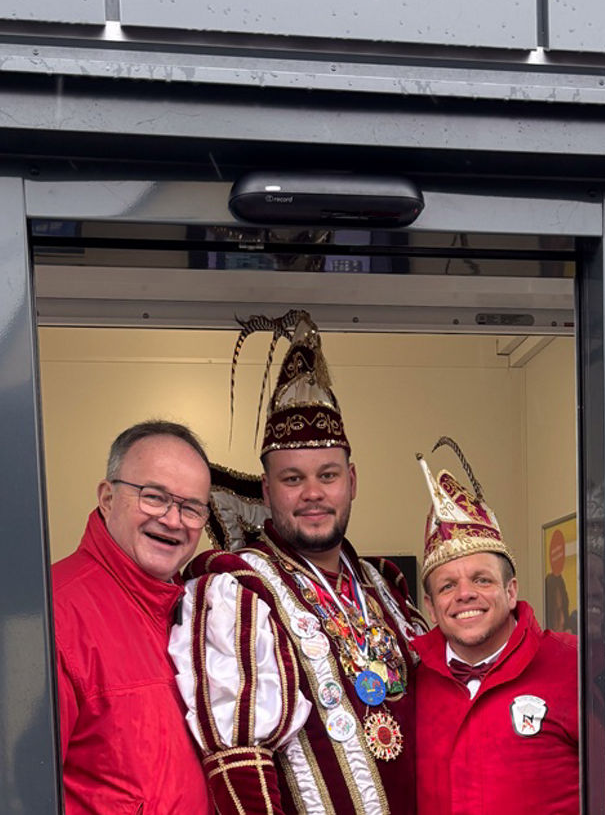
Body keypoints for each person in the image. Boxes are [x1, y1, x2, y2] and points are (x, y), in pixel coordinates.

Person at [170, 310, 427, 814]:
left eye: (327, 475)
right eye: (292, 479)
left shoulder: (384, 585)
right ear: (267, 490)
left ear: (352, 482)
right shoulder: (240, 587)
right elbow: (240, 760)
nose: (313, 494)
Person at [411, 438, 580, 815]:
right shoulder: (408, 683)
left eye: (482, 580)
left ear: (511, 590)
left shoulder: (576, 665)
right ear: (431, 608)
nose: (465, 594)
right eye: (447, 586)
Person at [53, 420, 214, 815]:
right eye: (154, 497)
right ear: (107, 498)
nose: (173, 520)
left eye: (191, 508)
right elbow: (17, 792)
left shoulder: (205, 614)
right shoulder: (56, 613)